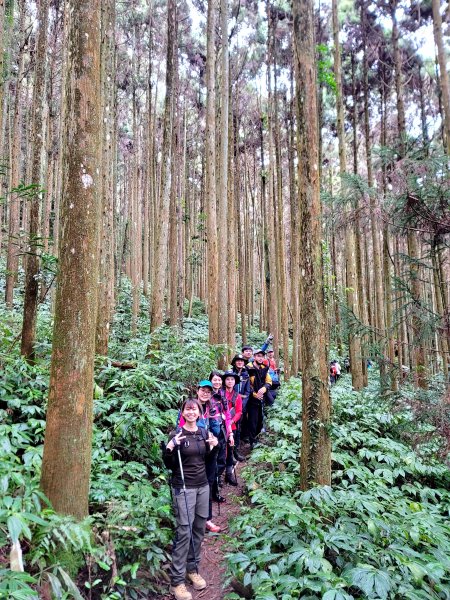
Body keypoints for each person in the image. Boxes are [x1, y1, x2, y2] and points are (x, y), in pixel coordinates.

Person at [163, 398, 218, 600]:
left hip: (202, 486)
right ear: (183, 413)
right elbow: (169, 465)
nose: (191, 412)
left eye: (195, 409)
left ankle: (192, 569)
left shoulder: (204, 433)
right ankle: (176, 581)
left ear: (200, 413)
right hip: (183, 488)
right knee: (184, 530)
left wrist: (215, 446)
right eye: (188, 409)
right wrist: (169, 448)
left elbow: (210, 461)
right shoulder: (176, 435)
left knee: (198, 527)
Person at [208, 371, 234, 504]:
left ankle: (214, 487)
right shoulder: (207, 395)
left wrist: (230, 433)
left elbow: (227, 414)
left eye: (219, 380)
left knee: (221, 461)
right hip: (211, 435)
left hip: (222, 432)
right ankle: (212, 491)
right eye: (214, 380)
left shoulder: (222, 395)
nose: (217, 382)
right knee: (212, 463)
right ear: (210, 381)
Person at [246, 349, 272, 449]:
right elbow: (246, 383)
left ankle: (257, 438)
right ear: (254, 357)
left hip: (262, 398)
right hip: (251, 399)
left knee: (260, 420)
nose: (260, 358)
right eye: (258, 356)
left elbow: (269, 381)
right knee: (252, 420)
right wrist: (254, 393)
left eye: (262, 356)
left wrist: (265, 388)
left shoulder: (264, 368)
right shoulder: (248, 367)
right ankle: (252, 441)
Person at [221, 370, 243, 483]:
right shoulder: (220, 394)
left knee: (230, 451)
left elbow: (239, 412)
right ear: (224, 381)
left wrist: (231, 422)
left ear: (235, 382)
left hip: (231, 427)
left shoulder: (237, 396)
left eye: (232, 379)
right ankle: (218, 477)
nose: (230, 381)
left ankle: (228, 475)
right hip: (220, 426)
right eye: (228, 379)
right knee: (220, 452)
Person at [230, 353, 250, 460]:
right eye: (238, 361)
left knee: (238, 429)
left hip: (240, 406)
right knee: (230, 429)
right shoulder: (229, 374)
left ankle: (236, 451)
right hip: (229, 407)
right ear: (234, 362)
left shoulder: (246, 375)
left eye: (242, 361)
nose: (240, 362)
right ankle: (230, 454)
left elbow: (247, 392)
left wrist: (242, 404)